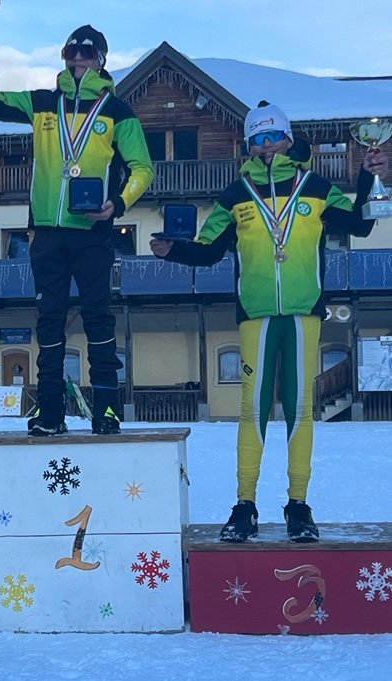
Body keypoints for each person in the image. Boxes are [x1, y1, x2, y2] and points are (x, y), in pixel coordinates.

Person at [150, 101, 389, 543]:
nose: (263, 147)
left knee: (300, 411)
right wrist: (174, 249)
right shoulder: (236, 194)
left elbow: (360, 226)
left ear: (286, 138)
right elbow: (209, 249)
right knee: (253, 412)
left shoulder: (315, 187)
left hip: (303, 312)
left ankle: (298, 504)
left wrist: (370, 174)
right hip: (256, 315)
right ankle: (245, 505)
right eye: (255, 140)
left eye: (270, 137)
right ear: (248, 145)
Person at [0, 25, 153, 436]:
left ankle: (107, 410)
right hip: (47, 231)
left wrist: (117, 204)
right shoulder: (44, 103)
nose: (77, 58)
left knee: (99, 318)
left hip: (93, 230)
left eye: (86, 51)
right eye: (70, 51)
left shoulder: (118, 112)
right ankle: (49, 412)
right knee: (49, 320)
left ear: (101, 58)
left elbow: (143, 169)